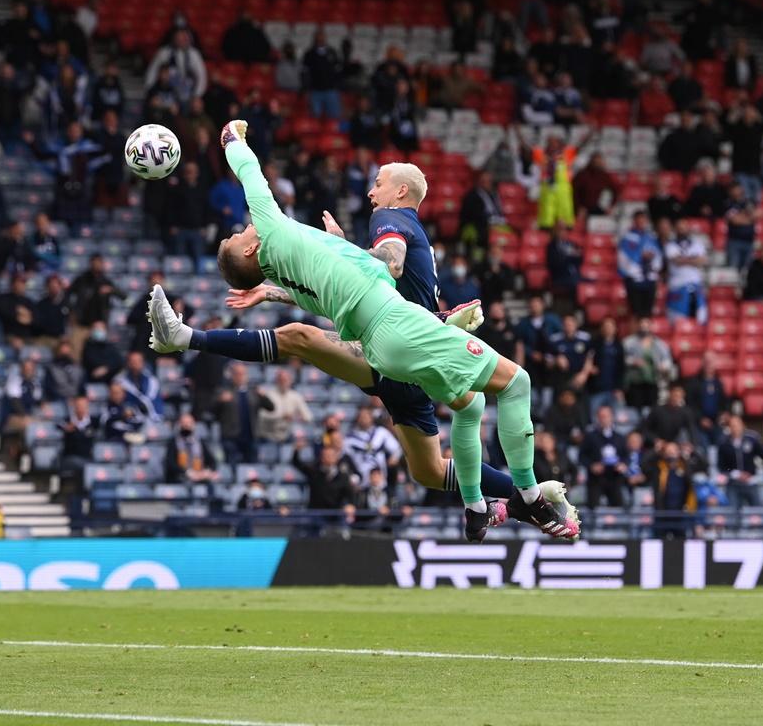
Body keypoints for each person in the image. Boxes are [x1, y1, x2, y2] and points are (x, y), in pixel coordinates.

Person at [201, 120, 577, 540]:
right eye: (375, 183)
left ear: (400, 191)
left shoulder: (340, 242)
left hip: (391, 348)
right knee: (516, 382)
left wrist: (285, 284)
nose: (370, 191)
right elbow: (389, 262)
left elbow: (333, 287)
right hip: (405, 332)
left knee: (451, 436)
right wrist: (232, 138)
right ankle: (528, 497)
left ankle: (476, 507)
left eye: (377, 183)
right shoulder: (390, 219)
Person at [717, 415, 763, 508]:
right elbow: (721, 466)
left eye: (737, 425)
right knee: (732, 511)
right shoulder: (724, 443)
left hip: (751, 482)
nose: (735, 428)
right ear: (729, 427)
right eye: (732, 425)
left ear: (742, 425)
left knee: (756, 510)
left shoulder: (752, 440)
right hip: (733, 484)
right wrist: (735, 474)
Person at [617, 210, 663, 318]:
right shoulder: (627, 238)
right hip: (634, 279)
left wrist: (652, 263)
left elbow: (658, 257)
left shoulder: (651, 238)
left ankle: (647, 334)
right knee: (635, 312)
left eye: (644, 220)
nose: (642, 222)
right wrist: (640, 257)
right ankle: (635, 334)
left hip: (650, 279)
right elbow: (623, 259)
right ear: (634, 221)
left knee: (648, 313)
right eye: (639, 220)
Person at [623, 317, 674, 408]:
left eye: (646, 325)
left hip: (653, 381)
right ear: (638, 326)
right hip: (635, 381)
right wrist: (633, 361)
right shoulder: (628, 342)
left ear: (650, 327)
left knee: (652, 407)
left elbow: (667, 360)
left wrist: (663, 366)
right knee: (636, 407)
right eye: (642, 325)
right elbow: (623, 359)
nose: (644, 328)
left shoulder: (659, 344)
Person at [664, 220, 708, 323]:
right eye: (679, 228)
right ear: (675, 230)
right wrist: (693, 259)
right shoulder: (670, 245)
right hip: (677, 286)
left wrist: (684, 259)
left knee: (699, 317)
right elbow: (676, 261)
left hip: (695, 285)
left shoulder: (697, 244)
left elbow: (701, 261)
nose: (682, 231)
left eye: (683, 228)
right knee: (678, 320)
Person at [255, 368, 311, 444]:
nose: (283, 382)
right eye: (280, 380)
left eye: (285, 380)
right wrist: (281, 416)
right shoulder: (269, 395)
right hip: (268, 436)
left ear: (290, 381)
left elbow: (308, 417)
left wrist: (295, 417)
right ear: (276, 381)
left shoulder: (296, 396)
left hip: (287, 436)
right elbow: (261, 416)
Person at [164, 412, 220, 483]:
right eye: (184, 423)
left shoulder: (200, 442)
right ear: (179, 425)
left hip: (199, 477)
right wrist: (186, 472)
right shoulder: (173, 442)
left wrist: (207, 471)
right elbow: (170, 463)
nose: (186, 425)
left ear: (194, 425)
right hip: (180, 479)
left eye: (189, 423)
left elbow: (212, 461)